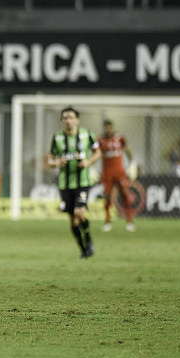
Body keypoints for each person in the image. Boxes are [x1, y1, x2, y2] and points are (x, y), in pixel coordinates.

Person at [47, 107, 102, 259]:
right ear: (61, 121)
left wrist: (88, 162)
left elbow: (98, 152)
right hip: (65, 183)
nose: (68, 121)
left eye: (71, 117)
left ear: (77, 120)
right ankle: (83, 248)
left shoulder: (87, 135)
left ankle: (89, 240)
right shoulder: (57, 138)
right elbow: (50, 160)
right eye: (65, 118)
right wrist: (57, 162)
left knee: (80, 212)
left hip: (83, 181)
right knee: (73, 220)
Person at [98, 120, 136, 232]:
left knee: (125, 194)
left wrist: (132, 163)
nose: (108, 129)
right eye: (106, 127)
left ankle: (129, 221)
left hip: (119, 171)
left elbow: (127, 149)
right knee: (108, 197)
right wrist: (93, 167)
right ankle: (107, 222)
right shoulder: (100, 140)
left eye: (110, 127)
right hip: (107, 172)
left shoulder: (120, 137)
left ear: (113, 127)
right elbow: (95, 153)